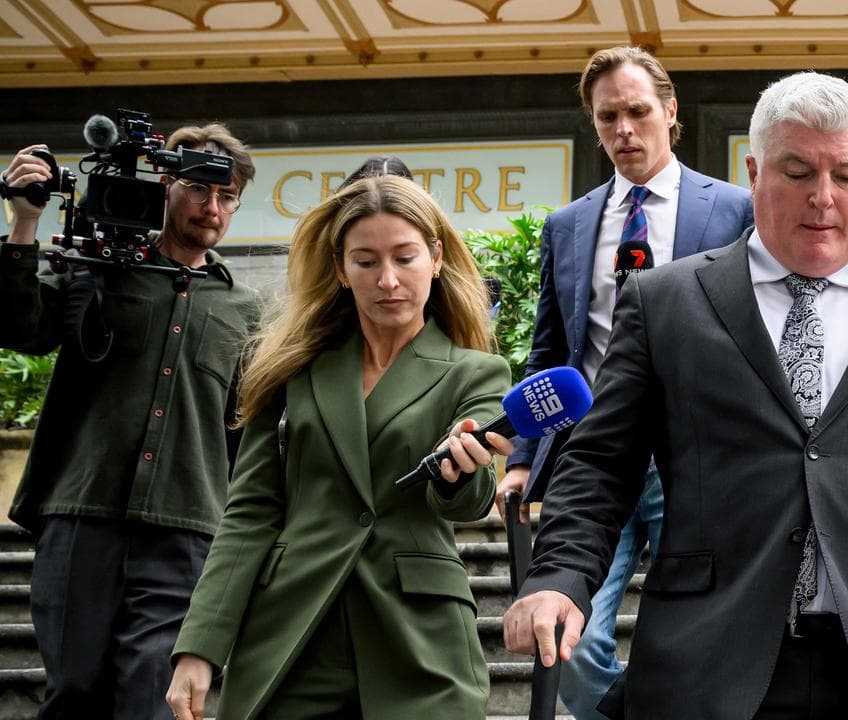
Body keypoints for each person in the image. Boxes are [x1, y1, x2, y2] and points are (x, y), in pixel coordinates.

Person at [503, 72, 848, 719]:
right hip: (709, 663)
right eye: (798, 172)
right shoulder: (666, 304)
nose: (824, 197)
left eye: (847, 176)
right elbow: (600, 463)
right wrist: (561, 578)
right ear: (754, 170)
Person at [164, 175, 513, 719]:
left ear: (436, 258)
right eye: (366, 261)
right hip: (293, 629)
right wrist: (200, 645)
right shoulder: (291, 371)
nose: (388, 280)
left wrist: (459, 473)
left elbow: (469, 500)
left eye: (405, 257)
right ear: (339, 270)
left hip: (418, 639)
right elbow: (250, 512)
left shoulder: (478, 372)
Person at [494, 45, 753, 719]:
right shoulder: (568, 225)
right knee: (568, 644)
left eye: (638, 112)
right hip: (593, 459)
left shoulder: (734, 210)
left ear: (671, 113)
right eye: (608, 117)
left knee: (698, 632)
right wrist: (524, 457)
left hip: (694, 459)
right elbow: (549, 351)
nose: (624, 130)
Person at [0, 125, 256, 719]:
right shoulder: (94, 269)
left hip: (186, 527)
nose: (211, 209)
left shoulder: (246, 310)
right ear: (164, 184)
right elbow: (21, 328)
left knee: (155, 700)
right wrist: (24, 222)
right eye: (197, 190)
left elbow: (245, 435)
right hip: (82, 513)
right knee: (74, 693)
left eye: (227, 197)